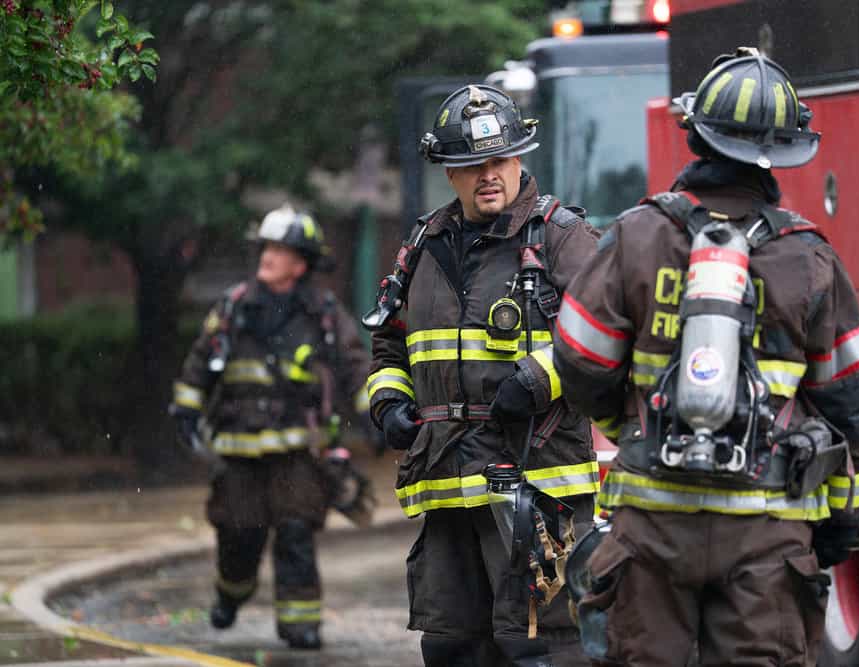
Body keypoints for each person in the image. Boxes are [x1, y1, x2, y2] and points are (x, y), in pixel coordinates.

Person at [552, 49, 859, 666]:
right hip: (768, 536)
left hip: (650, 525)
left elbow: (578, 356)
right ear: (786, 152)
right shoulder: (808, 257)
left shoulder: (637, 235)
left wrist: (632, 428)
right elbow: (851, 402)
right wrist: (844, 516)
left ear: (697, 136)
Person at [366, 84, 601, 666]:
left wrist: (540, 379)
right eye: (471, 165)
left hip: (537, 487)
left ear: (521, 156)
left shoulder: (562, 237)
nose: (487, 175)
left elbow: (611, 331)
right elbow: (388, 343)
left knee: (539, 646)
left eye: (498, 159)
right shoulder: (424, 245)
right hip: (447, 489)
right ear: (450, 172)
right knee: (450, 647)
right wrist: (389, 405)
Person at [169, 205, 370, 650]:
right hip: (239, 448)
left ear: (300, 263)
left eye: (279, 249)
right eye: (266, 247)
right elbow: (200, 362)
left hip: (299, 450)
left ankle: (301, 625)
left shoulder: (323, 313)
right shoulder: (234, 306)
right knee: (239, 532)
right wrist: (186, 407)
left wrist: (377, 409)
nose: (268, 256)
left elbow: (355, 365)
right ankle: (231, 591)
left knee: (296, 531)